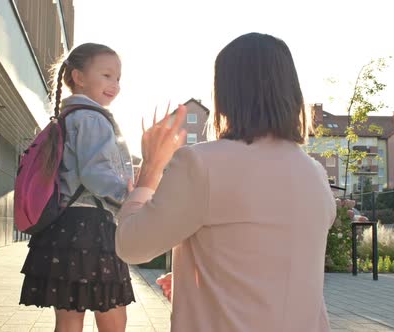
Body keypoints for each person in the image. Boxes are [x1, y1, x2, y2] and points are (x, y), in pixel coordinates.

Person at [115, 32, 336, 331]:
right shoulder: (315, 174)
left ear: (226, 92)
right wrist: (196, 282)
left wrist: (151, 170)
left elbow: (131, 245)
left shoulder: (201, 163)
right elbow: (272, 264)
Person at [19, 43, 135, 332]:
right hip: (91, 229)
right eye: (107, 75)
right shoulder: (93, 119)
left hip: (64, 228)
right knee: (113, 316)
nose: (115, 84)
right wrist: (129, 196)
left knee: (69, 318)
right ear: (79, 77)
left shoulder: (69, 117)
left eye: (118, 78)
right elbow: (96, 176)